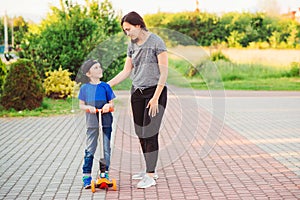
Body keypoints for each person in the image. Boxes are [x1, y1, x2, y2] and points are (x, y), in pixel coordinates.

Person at [108, 11, 168, 189]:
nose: (127, 33)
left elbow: (164, 71)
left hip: (154, 92)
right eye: (125, 30)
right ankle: (149, 169)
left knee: (150, 132)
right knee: (140, 132)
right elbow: (127, 71)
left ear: (138, 25)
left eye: (128, 29)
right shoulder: (132, 44)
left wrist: (156, 97)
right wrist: (106, 85)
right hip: (137, 92)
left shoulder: (157, 42)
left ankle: (150, 174)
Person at [78, 59, 116, 189]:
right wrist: (89, 107)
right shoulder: (85, 88)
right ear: (88, 73)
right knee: (90, 149)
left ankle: (104, 174)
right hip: (92, 122)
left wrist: (107, 105)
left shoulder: (105, 86)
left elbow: (112, 104)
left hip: (106, 121)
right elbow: (81, 105)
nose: (99, 69)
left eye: (99, 67)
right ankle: (86, 175)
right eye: (95, 68)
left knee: (105, 149)